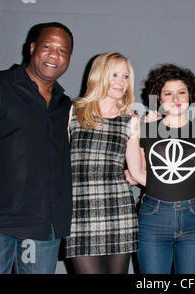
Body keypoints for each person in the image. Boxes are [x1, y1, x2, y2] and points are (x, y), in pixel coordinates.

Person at [0, 22, 74, 273]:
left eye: (63, 51)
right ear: (32, 48)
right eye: (47, 46)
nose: (54, 55)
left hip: (44, 228)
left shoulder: (65, 105)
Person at [64, 52, 142, 274]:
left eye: (126, 76)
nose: (121, 82)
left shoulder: (131, 119)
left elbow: (137, 172)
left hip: (118, 211)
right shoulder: (73, 111)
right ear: (100, 76)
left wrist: (178, 186)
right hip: (80, 211)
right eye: (114, 75)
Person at [130, 64, 195, 274]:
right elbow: (137, 172)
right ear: (159, 98)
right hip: (154, 215)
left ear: (190, 95)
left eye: (181, 92)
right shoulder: (145, 130)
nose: (175, 99)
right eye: (168, 93)